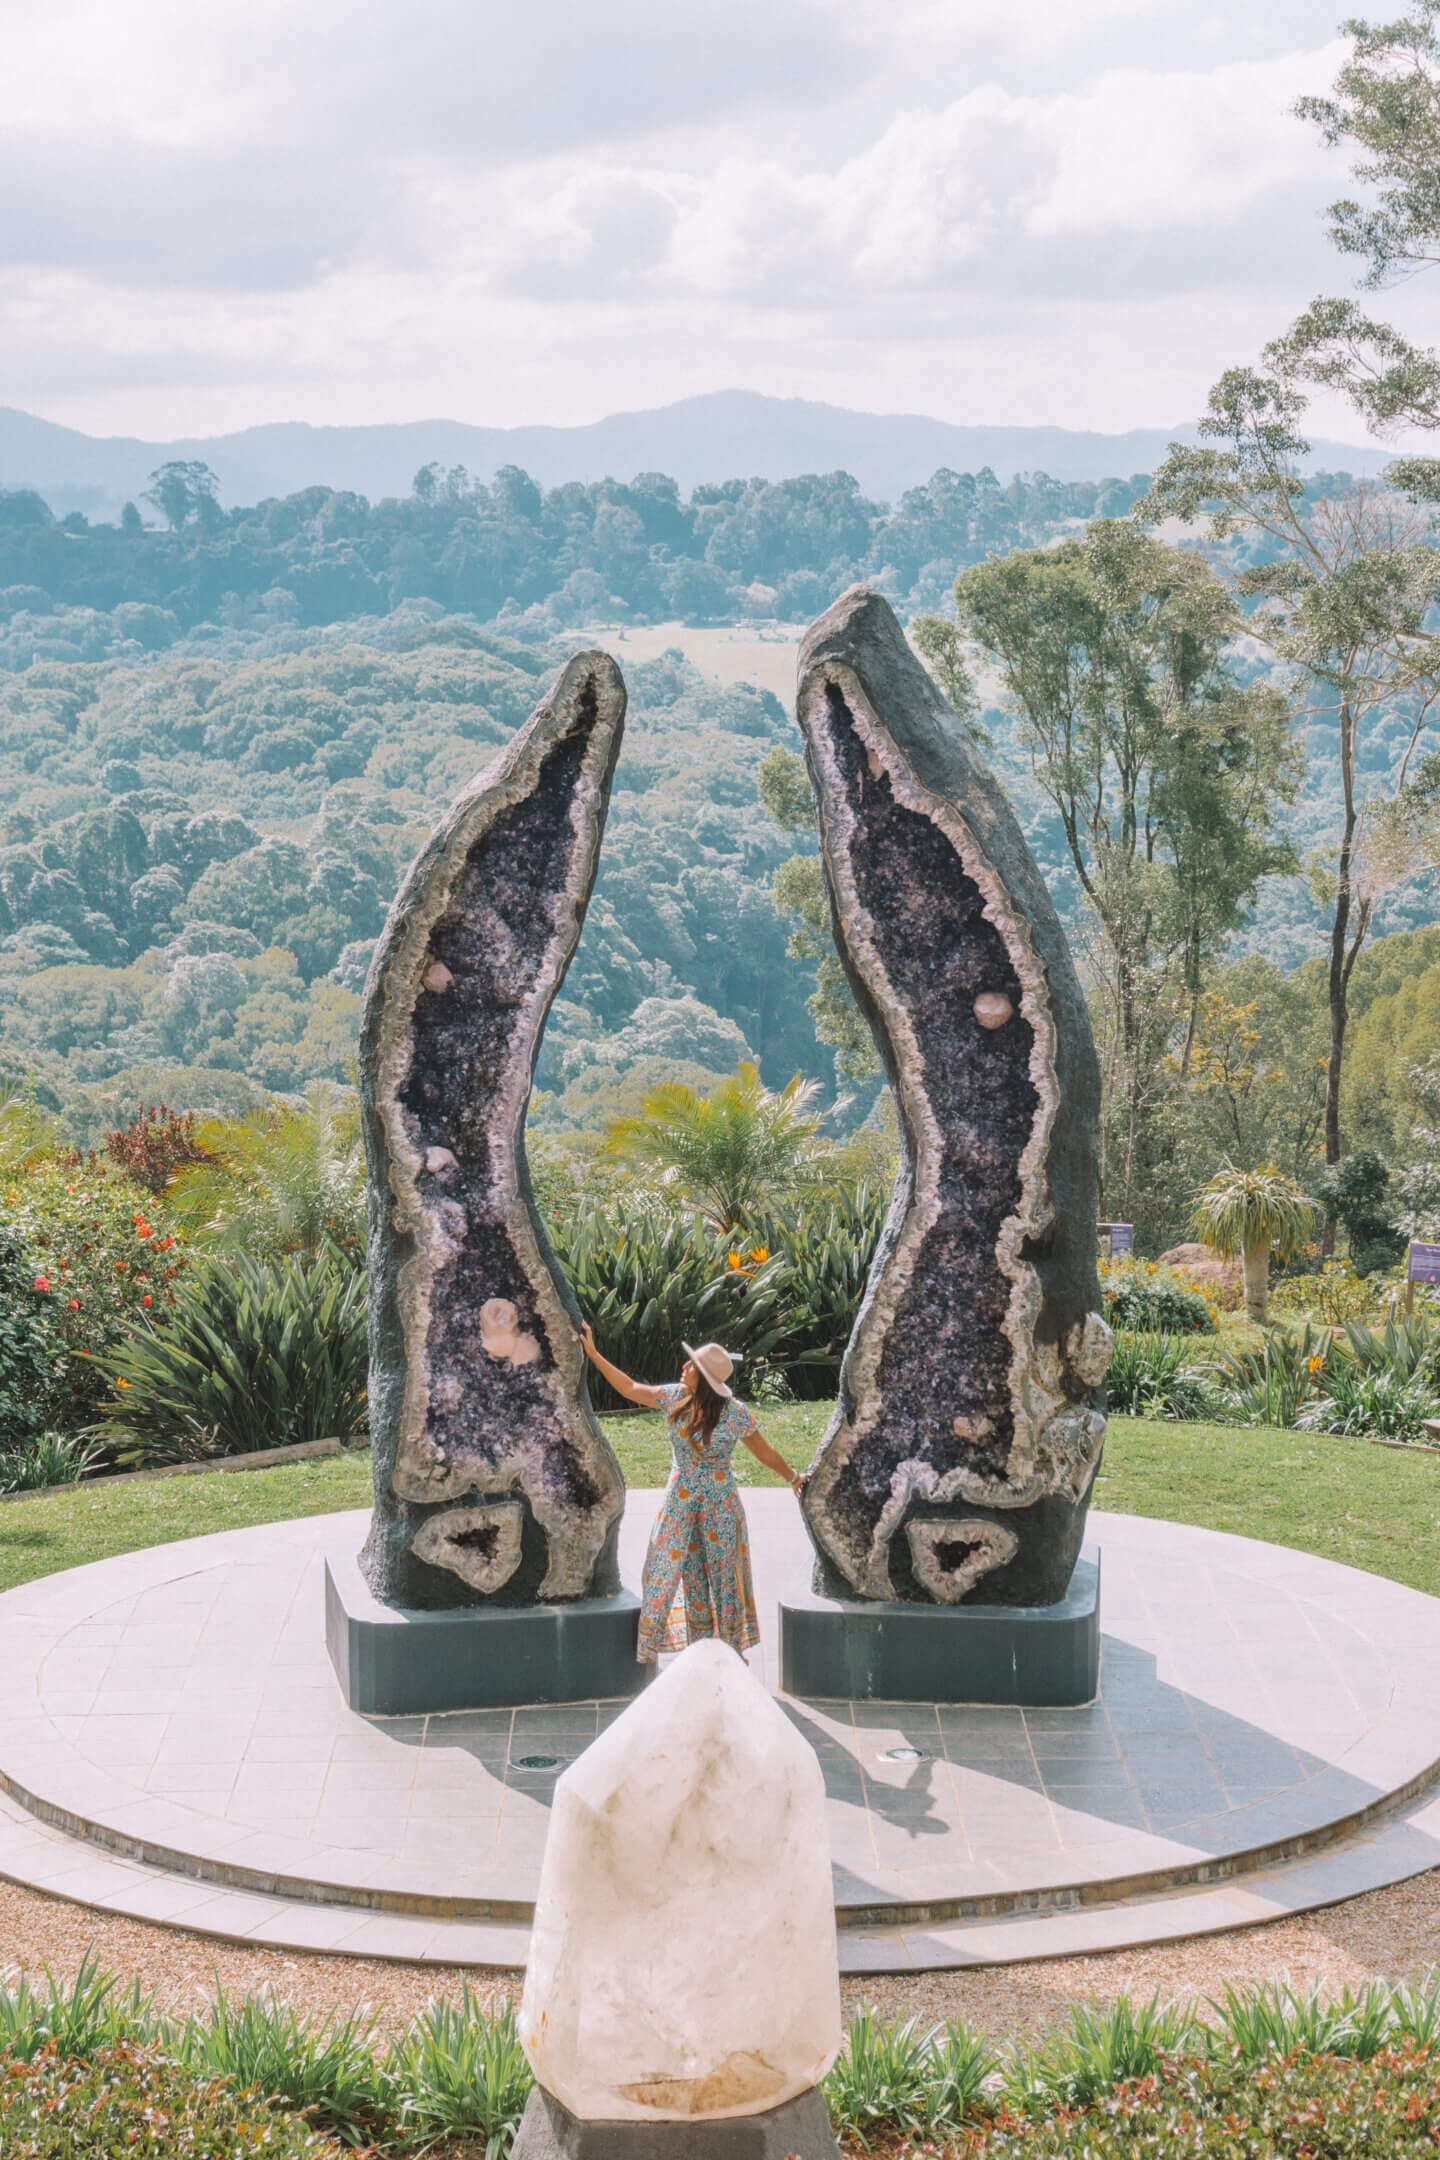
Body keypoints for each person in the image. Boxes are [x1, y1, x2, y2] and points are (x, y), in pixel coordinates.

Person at [580, 1325, 805, 1664]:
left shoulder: (734, 1414)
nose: (684, 1367)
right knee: (680, 1569)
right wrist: (594, 1354)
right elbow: (628, 1387)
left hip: (719, 1508)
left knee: (724, 1577)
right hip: (683, 1504)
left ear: (702, 1376)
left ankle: (730, 1653)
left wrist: (793, 1477)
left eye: (690, 1365)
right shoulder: (675, 1397)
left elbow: (765, 1453)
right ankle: (698, 1652)